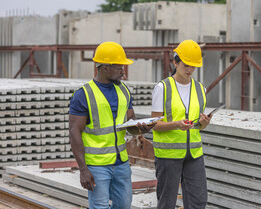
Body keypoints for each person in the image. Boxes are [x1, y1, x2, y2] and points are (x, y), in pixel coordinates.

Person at [69, 41, 155, 209]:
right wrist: (83, 169)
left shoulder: (124, 91)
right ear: (105, 67)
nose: (123, 71)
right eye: (119, 67)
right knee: (100, 206)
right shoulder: (83, 95)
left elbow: (130, 122)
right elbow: (74, 133)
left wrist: (141, 127)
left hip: (121, 163)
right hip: (97, 166)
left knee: (124, 206)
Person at [151, 39, 212, 209]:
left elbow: (198, 126)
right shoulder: (162, 88)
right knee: (167, 202)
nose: (190, 70)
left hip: (194, 154)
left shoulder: (201, 89)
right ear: (175, 62)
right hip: (168, 155)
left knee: (198, 201)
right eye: (186, 65)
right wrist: (176, 125)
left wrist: (203, 123)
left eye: (193, 66)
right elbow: (154, 124)